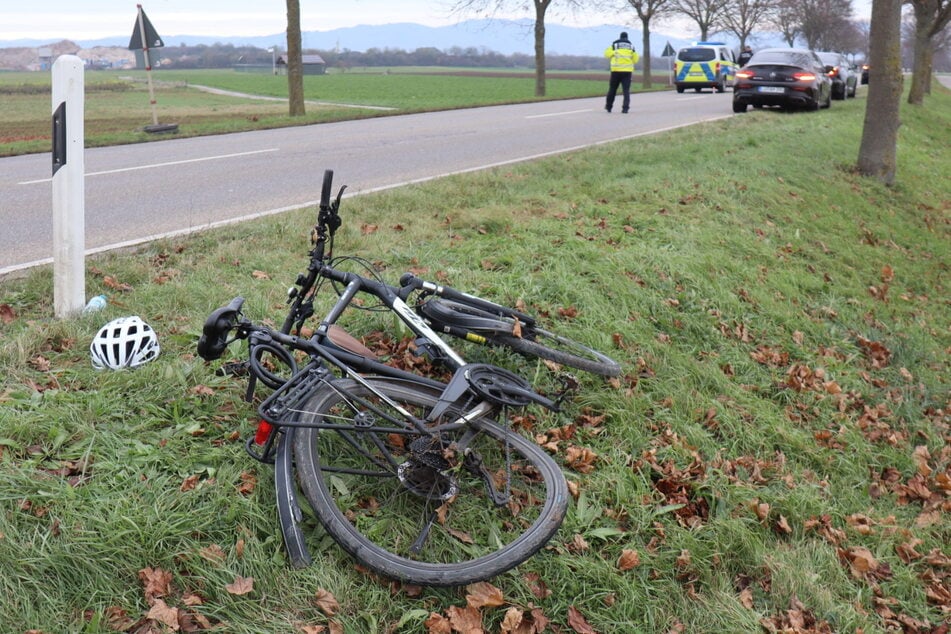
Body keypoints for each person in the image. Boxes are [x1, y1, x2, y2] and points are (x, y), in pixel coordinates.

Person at [604, 32, 639, 113]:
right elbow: (635, 60)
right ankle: (625, 108)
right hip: (627, 72)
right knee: (626, 91)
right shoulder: (631, 47)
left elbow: (606, 55)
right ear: (627, 38)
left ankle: (609, 107)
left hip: (615, 71)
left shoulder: (614, 46)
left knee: (612, 89)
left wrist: (614, 54)